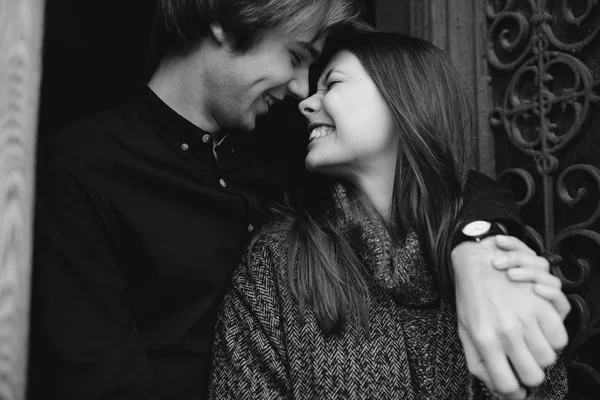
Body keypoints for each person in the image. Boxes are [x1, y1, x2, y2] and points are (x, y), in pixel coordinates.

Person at [29, 1, 567, 399]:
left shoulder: (286, 149)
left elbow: (439, 180)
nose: (299, 91)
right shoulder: (80, 166)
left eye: (322, 77)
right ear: (224, 20)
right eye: (295, 56)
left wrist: (479, 249)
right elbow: (96, 378)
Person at [208, 31, 569, 399]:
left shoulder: (498, 260)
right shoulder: (277, 261)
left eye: (331, 83)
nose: (305, 102)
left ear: (405, 99)